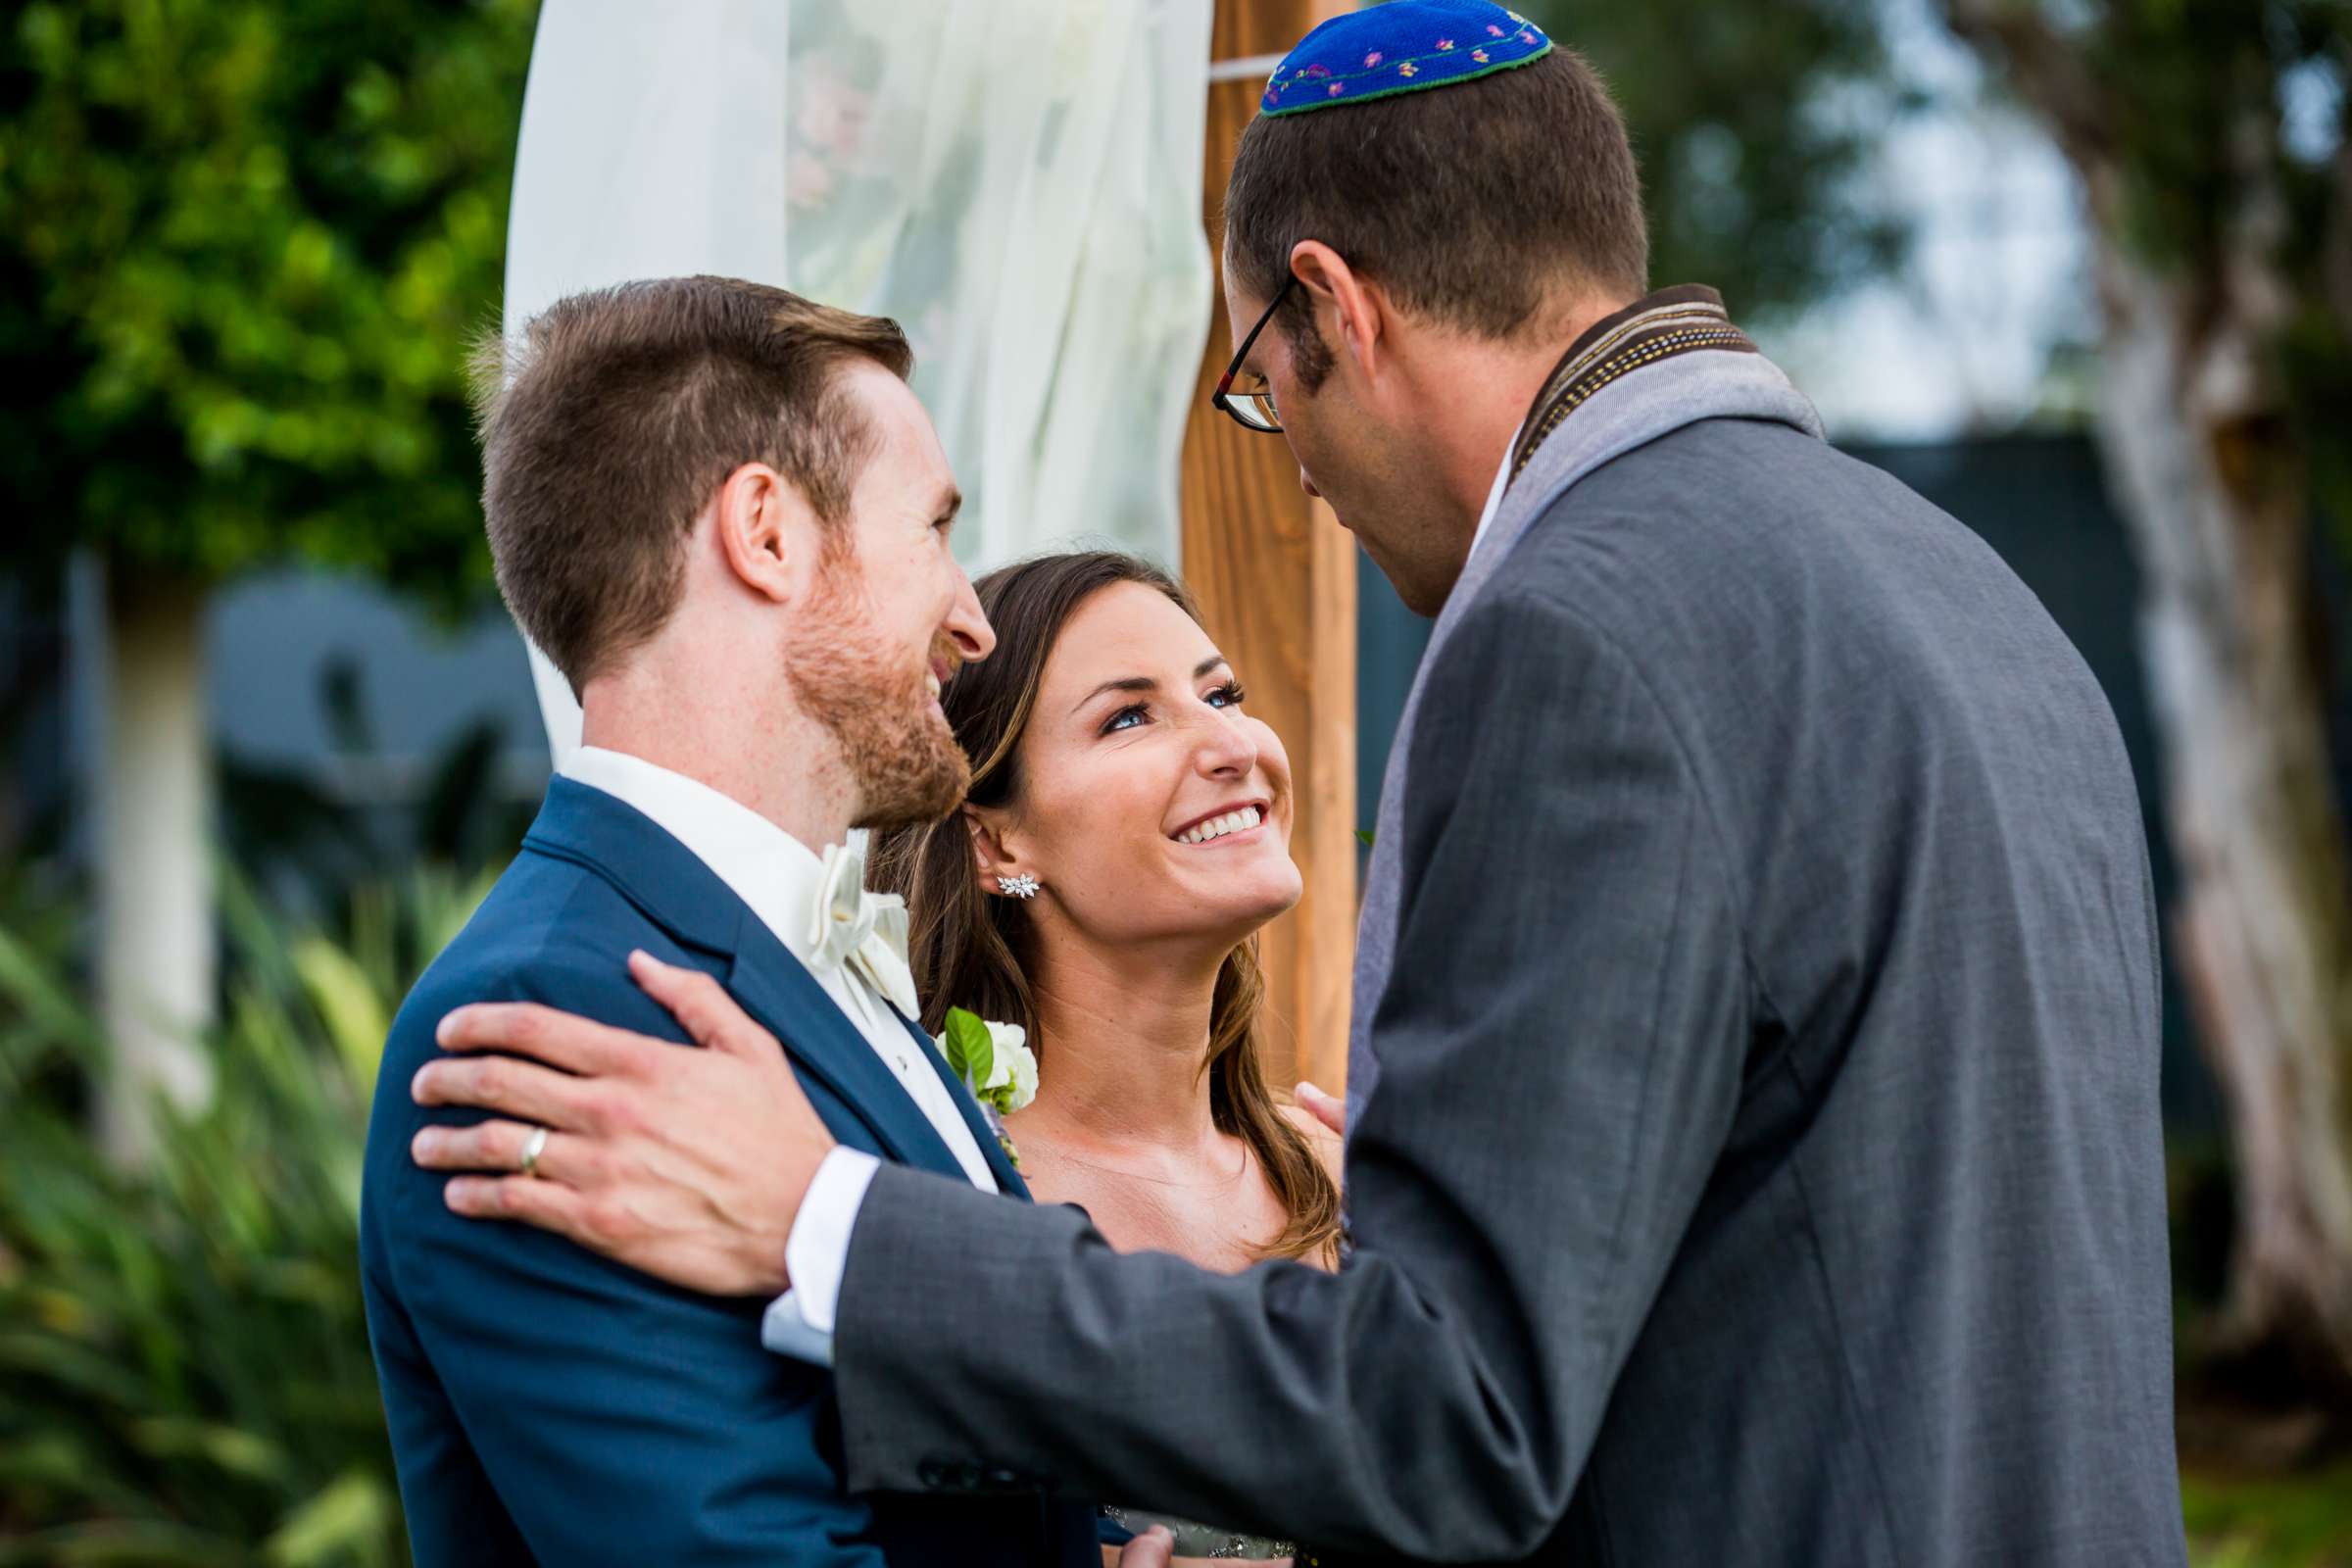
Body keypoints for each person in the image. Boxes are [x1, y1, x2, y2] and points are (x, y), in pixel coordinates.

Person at [411, 4, 2190, 1563]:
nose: (1305, 477)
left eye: (1262, 385)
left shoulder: (1575, 631)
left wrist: (827, 1222)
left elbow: (1458, 1420)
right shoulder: (1980, 600)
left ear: (1334, 307)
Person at [360, 274, 1113, 1566]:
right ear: (766, 531)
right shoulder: (553, 1014)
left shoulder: (799, 953)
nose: (976, 619)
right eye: (934, 528)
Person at [868, 549, 1345, 1560]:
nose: (1231, 743)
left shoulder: (1348, 1181)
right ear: (996, 844)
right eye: (1130, 716)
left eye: (1223, 693)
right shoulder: (954, 1209)